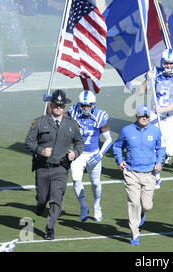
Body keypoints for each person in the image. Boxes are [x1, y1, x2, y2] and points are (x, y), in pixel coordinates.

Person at [25, 89, 84, 240]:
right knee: (42, 198)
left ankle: (50, 227)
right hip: (43, 168)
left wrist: (75, 153)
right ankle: (40, 205)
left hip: (61, 168)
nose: (58, 107)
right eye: (56, 105)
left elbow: (80, 142)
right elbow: (28, 142)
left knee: (57, 198)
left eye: (61, 105)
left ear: (64, 106)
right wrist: (40, 150)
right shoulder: (39, 122)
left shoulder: (72, 124)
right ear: (50, 105)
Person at [112, 105, 165, 246]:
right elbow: (117, 146)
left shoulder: (155, 131)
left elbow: (161, 148)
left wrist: (160, 162)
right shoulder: (127, 130)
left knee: (146, 205)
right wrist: (119, 160)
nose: (145, 118)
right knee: (133, 203)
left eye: (147, 116)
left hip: (149, 173)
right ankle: (135, 233)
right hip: (131, 172)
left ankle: (142, 212)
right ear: (136, 116)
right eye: (142, 115)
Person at [137, 49, 173, 186]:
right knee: (153, 146)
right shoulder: (155, 72)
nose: (169, 66)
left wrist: (162, 109)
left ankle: (163, 157)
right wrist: (147, 80)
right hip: (155, 116)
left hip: (170, 116)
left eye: (171, 63)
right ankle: (156, 178)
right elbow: (140, 92)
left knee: (169, 150)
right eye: (166, 63)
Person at [68, 90, 113, 222]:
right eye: (83, 106)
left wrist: (100, 154)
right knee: (76, 179)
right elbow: (57, 117)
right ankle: (83, 206)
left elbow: (109, 139)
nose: (86, 108)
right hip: (78, 153)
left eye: (88, 106)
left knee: (95, 182)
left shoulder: (100, 116)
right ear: (79, 105)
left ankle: (97, 205)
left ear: (93, 105)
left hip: (93, 153)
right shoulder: (73, 112)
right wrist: (50, 103)